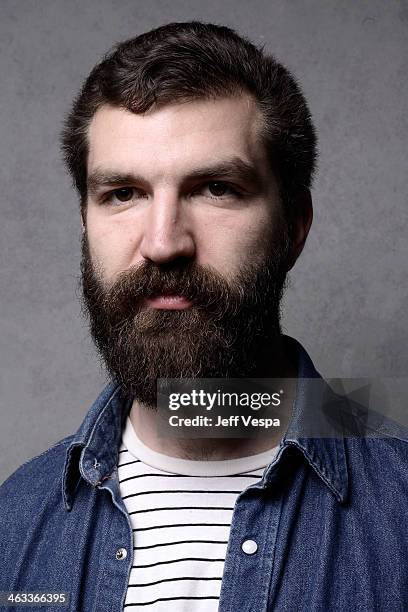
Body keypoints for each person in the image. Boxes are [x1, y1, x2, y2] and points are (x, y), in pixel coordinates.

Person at [1, 20, 407, 612]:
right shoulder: (15, 526)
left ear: (294, 227)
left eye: (216, 188)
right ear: (85, 224)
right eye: (122, 194)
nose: (164, 243)